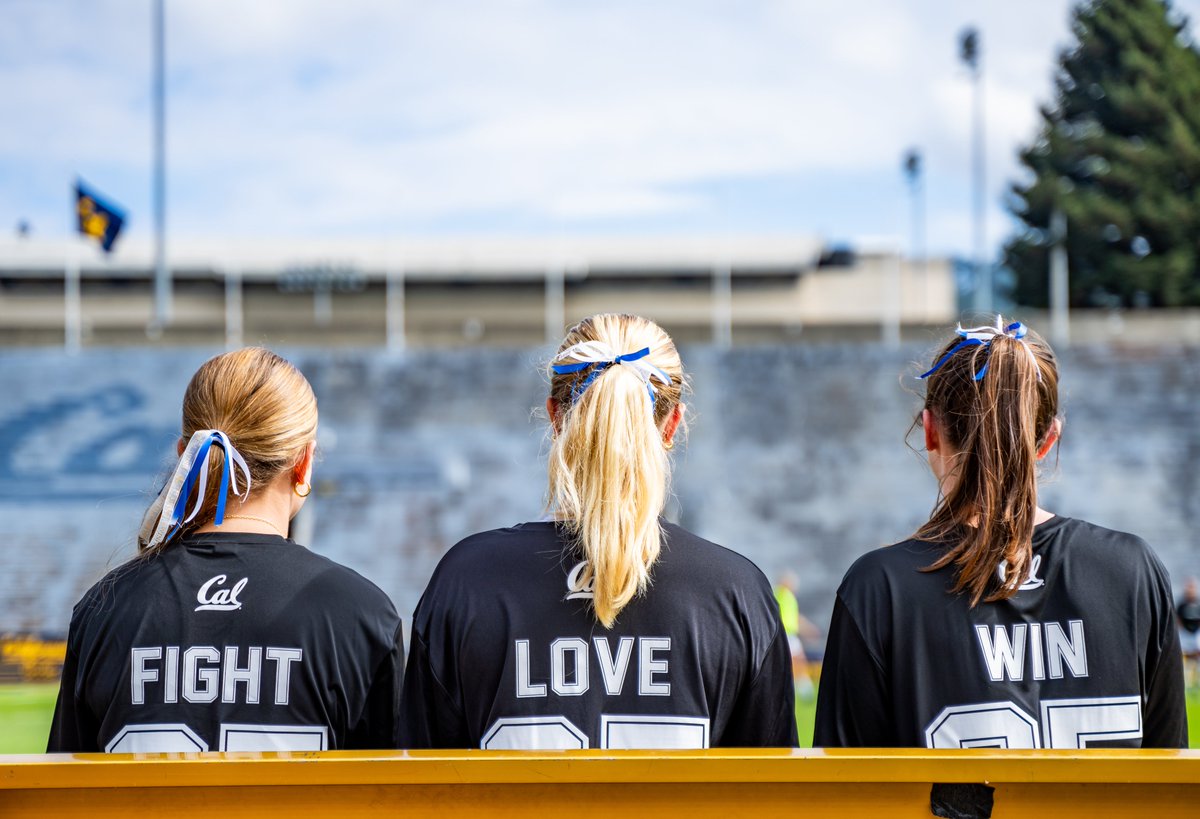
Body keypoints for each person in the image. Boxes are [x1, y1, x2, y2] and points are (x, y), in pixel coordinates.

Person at [399, 313, 797, 749]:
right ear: (672, 425)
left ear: (554, 417)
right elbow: (772, 802)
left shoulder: (469, 581)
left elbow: (418, 794)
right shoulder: (735, 593)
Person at [814, 318, 1187, 748]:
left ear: (930, 430)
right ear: (1048, 440)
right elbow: (1171, 783)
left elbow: (846, 796)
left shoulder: (880, 588)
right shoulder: (1131, 570)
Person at [48, 348, 404, 753]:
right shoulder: (361, 613)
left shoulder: (105, 608)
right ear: (303, 463)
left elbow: (62, 794)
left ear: (185, 455)